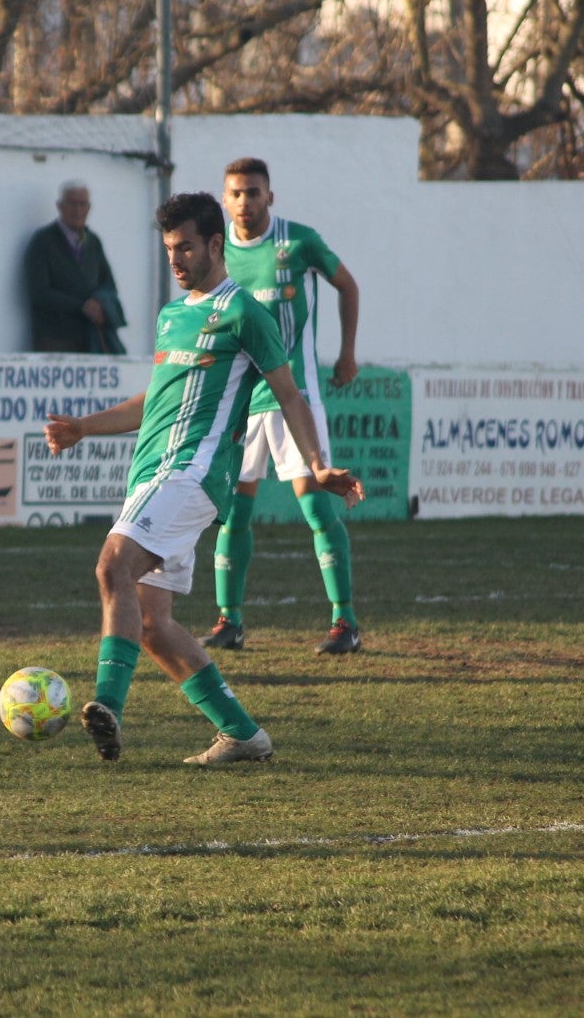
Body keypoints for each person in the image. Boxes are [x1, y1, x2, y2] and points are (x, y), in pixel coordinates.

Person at [44, 192, 362, 765]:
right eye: (169, 248)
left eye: (185, 246)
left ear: (215, 244)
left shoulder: (245, 313)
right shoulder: (173, 316)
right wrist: (85, 428)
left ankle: (108, 706)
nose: (176, 258)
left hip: (194, 473)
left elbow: (288, 393)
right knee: (154, 625)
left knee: (112, 563)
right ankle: (243, 734)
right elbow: (156, 400)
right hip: (153, 473)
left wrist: (316, 464)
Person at [199, 157, 365, 657]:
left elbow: (347, 285)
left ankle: (345, 622)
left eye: (253, 192)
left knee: (317, 505)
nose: (244, 202)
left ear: (270, 196)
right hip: (240, 399)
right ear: (224, 199)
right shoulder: (216, 250)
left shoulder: (297, 241)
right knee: (233, 514)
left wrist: (347, 353)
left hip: (294, 394)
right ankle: (229, 622)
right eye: (235, 193)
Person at [23, 180, 126, 353]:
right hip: (55, 341)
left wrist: (98, 303)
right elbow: (39, 293)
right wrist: (81, 306)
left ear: (89, 208)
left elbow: (108, 285)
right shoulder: (43, 241)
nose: (77, 210)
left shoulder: (93, 242)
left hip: (91, 340)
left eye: (82, 204)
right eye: (72, 203)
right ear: (60, 206)